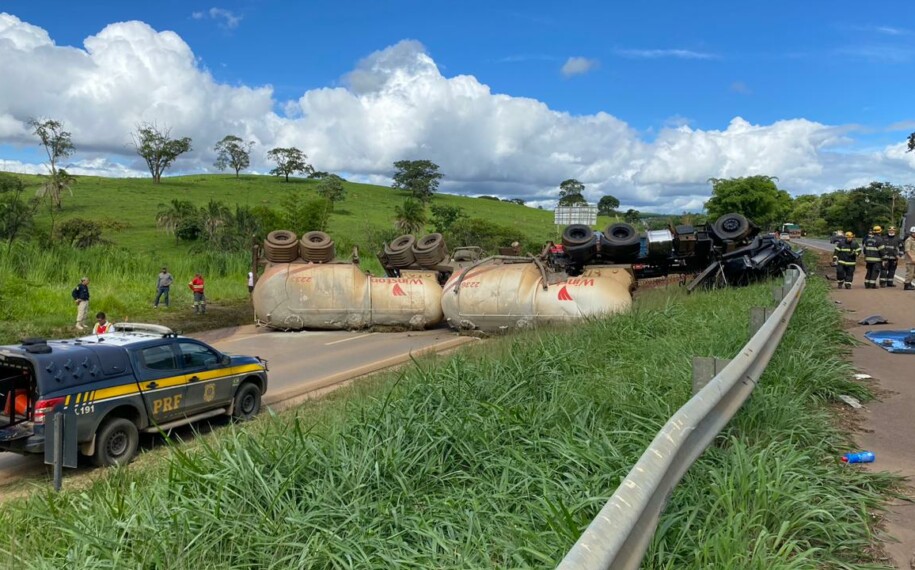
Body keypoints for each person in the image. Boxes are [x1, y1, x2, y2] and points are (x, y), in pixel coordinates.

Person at [904, 227, 915, 291]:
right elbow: (907, 250)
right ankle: (907, 285)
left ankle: (909, 283)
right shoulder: (909, 240)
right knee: (910, 272)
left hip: (914, 259)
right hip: (910, 260)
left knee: (913, 273)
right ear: (912, 233)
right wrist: (912, 258)